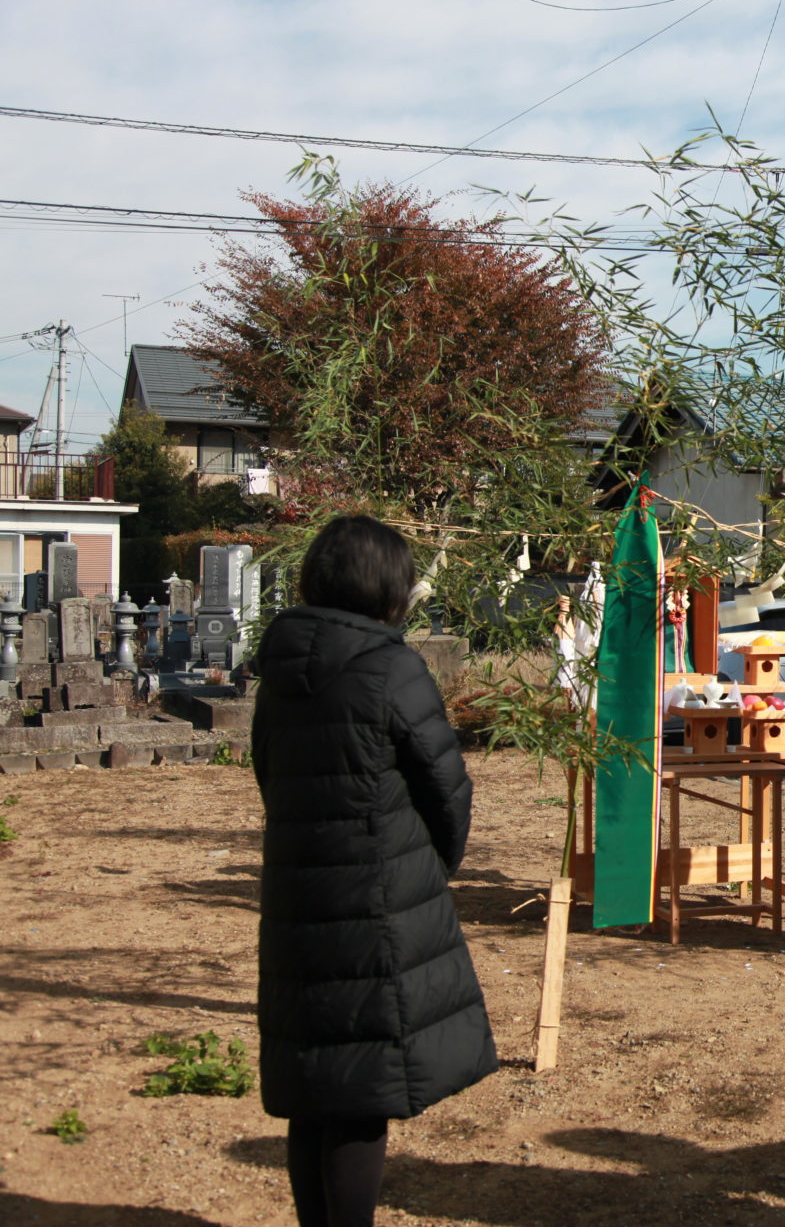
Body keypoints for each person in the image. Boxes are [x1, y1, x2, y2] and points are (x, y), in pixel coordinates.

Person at [251, 515, 498, 1227]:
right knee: (361, 1093)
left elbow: (269, 771)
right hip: (377, 899)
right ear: (385, 587)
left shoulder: (281, 666)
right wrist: (431, 867)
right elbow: (444, 786)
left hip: (299, 893)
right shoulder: (391, 666)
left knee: (313, 1085)